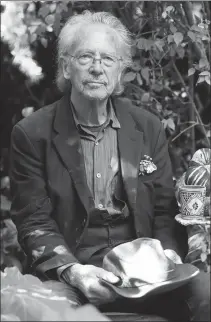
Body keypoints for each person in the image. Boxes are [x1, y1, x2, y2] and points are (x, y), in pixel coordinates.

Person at [10, 11, 210, 322]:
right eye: (86, 57)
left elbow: (162, 210)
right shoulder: (31, 134)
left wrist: (168, 258)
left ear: (119, 71)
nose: (97, 68)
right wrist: (74, 272)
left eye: (108, 59)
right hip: (73, 277)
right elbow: (34, 222)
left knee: (206, 293)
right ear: (66, 66)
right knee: (52, 313)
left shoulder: (147, 126)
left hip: (146, 275)